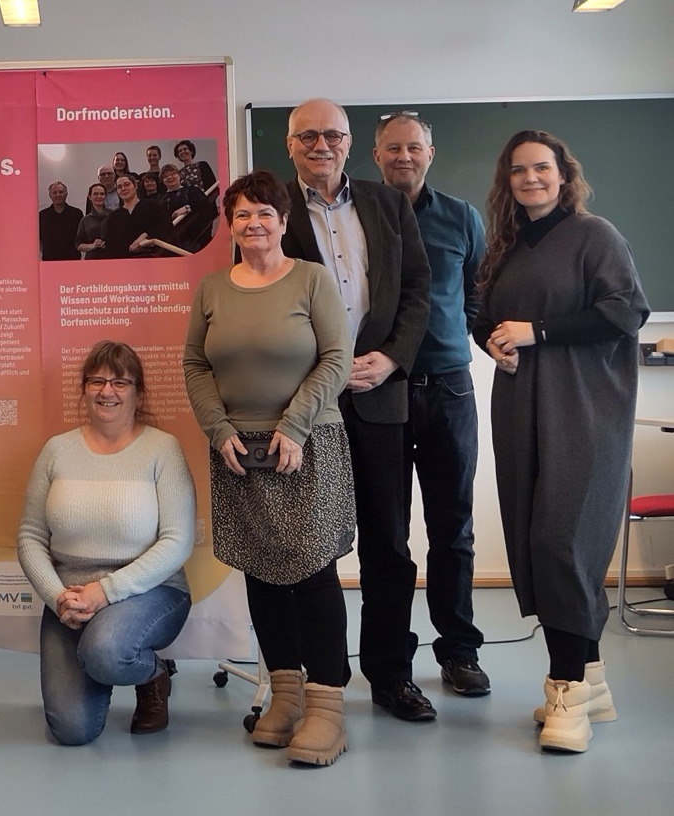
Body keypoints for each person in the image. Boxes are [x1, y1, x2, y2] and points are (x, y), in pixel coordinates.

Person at [472, 130, 649, 753]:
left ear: (563, 174)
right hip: (520, 407)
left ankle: (566, 690)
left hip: (584, 409)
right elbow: (483, 316)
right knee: (533, 537)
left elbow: (626, 311)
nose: (531, 178)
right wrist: (493, 344)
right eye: (518, 170)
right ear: (508, 181)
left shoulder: (595, 236)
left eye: (541, 167)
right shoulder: (506, 246)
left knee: (562, 541)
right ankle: (591, 680)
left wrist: (538, 332)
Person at [184, 170, 355, 766]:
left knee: (312, 572)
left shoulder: (311, 279)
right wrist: (219, 430)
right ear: (229, 226)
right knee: (261, 573)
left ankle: (327, 707)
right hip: (237, 450)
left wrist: (295, 425)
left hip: (306, 444)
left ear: (284, 221)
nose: (253, 223)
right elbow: (195, 365)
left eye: (264, 213)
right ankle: (285, 695)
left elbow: (337, 357)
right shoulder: (211, 289)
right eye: (241, 214)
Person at [281, 98, 433, 722]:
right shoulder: (271, 208)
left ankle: (391, 675)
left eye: (333, 135)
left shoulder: (389, 203)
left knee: (388, 545)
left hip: (380, 398)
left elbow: (419, 290)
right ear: (290, 144)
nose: (321, 145)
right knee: (306, 545)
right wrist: (320, 370)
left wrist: (393, 358)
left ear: (349, 143)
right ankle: (318, 679)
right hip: (304, 404)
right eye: (308, 136)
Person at [18, 341, 195, 746]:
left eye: (120, 382)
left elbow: (177, 540)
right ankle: (113, 660)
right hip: (70, 597)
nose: (107, 391)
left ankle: (153, 675)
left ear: (138, 393)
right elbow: (30, 536)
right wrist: (57, 597)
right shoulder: (56, 450)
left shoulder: (162, 449)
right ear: (84, 390)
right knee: (71, 731)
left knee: (106, 651)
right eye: (96, 381)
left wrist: (106, 591)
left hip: (150, 590)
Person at [372, 112, 489, 696]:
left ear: (430, 153)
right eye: (393, 148)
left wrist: (454, 333)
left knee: (452, 529)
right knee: (387, 535)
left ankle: (459, 651)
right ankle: (391, 664)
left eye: (413, 147)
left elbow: (478, 288)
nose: (404, 156)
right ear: (376, 156)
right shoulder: (361, 213)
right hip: (380, 391)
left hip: (449, 388)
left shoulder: (462, 217)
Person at [104, 174, 175, 259]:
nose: (123, 189)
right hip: (127, 261)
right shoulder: (114, 216)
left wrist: (146, 235)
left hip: (155, 258)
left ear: (135, 186)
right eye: (119, 187)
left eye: (127, 184)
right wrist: (129, 248)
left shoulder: (152, 206)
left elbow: (166, 227)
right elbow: (111, 243)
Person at [159, 163, 215, 252]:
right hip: (173, 241)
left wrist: (187, 208)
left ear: (179, 175)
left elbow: (206, 206)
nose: (170, 177)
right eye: (165, 176)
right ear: (163, 181)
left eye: (173, 173)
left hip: (196, 238)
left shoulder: (193, 191)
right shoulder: (160, 199)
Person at [38, 181, 83, 261]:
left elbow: (81, 237)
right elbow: (38, 239)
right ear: (50, 195)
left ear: (66, 194)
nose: (58, 195)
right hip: (49, 260)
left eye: (61, 192)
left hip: (73, 260)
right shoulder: (42, 215)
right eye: (54, 192)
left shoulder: (77, 214)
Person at [75, 183, 111, 259]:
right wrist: (93, 245)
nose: (99, 196)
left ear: (105, 196)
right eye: (95, 194)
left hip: (112, 257)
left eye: (102, 194)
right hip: (92, 259)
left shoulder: (114, 216)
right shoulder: (85, 220)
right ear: (89, 197)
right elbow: (78, 245)